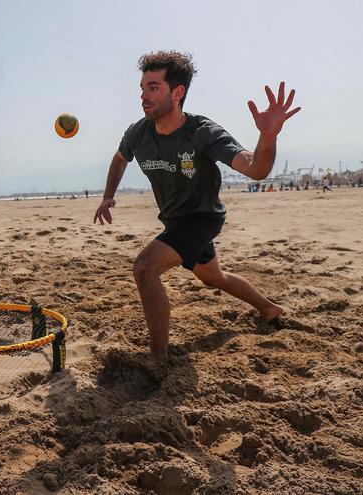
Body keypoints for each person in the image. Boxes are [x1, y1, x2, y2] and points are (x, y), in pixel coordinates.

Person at [93, 50, 298, 360]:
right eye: (142, 88)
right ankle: (269, 308)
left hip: (201, 218)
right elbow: (121, 157)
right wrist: (109, 194)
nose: (144, 97)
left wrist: (267, 136)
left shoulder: (203, 133)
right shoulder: (139, 132)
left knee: (145, 269)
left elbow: (256, 169)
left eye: (153, 88)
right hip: (175, 220)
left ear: (177, 92)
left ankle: (158, 360)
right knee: (213, 276)